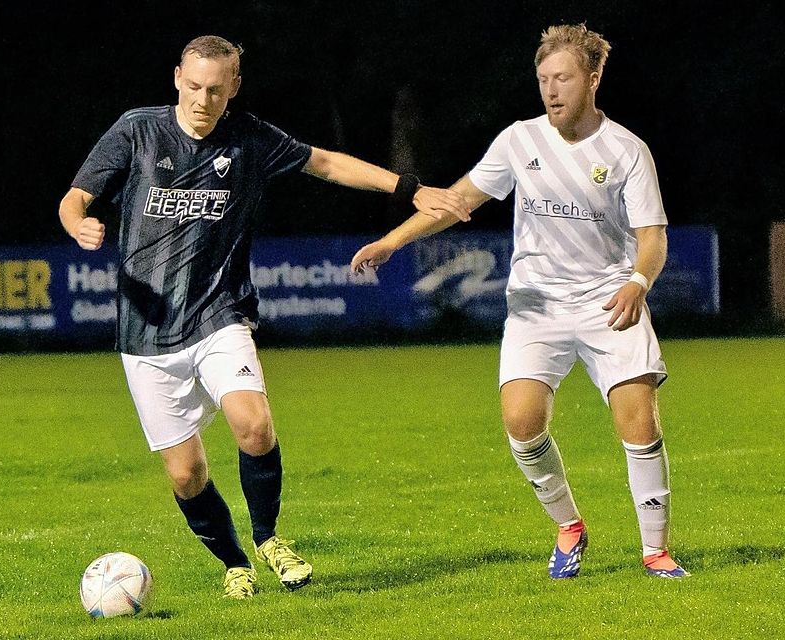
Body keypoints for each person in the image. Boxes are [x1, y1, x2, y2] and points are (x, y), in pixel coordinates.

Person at [59, 35, 470, 599]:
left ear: (233, 87)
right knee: (186, 474)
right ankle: (234, 563)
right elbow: (75, 197)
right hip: (144, 330)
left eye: (215, 90)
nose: (202, 100)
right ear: (177, 77)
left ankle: (268, 538)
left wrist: (409, 188)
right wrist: (78, 223)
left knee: (253, 426)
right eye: (194, 86)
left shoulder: (248, 138)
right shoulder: (137, 130)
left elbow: (324, 163)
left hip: (218, 312)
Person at [351, 24, 688, 579]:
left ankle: (656, 551)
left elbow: (652, 237)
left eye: (564, 78)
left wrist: (638, 282)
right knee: (522, 421)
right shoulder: (519, 140)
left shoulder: (627, 151)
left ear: (594, 79)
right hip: (537, 306)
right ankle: (569, 526)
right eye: (543, 79)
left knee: (639, 424)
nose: (551, 90)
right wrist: (391, 241)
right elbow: (458, 199)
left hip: (609, 301)